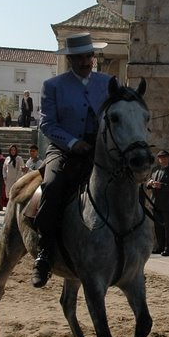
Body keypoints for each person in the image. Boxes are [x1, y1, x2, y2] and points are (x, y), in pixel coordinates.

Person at [32, 32, 112, 288]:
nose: (86, 61)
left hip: (101, 150)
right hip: (65, 149)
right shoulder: (53, 86)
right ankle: (44, 254)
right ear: (70, 59)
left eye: (89, 56)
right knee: (53, 187)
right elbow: (47, 123)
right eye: (80, 57)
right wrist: (72, 142)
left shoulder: (109, 82)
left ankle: (133, 249)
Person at [147, 149, 169, 256]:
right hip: (155, 203)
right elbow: (147, 183)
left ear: (168, 158)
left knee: (168, 227)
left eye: (165, 158)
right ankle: (160, 246)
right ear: (158, 159)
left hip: (167, 203)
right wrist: (150, 183)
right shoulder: (155, 170)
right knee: (158, 227)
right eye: (161, 158)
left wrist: (162, 185)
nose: (163, 160)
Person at [1, 145, 27, 210]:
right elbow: (4, 168)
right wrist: (4, 176)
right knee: (8, 194)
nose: (13, 151)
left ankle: (15, 209)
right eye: (11, 150)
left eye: (14, 150)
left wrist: (17, 179)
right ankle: (9, 208)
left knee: (15, 194)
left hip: (15, 179)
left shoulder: (19, 158)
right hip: (8, 179)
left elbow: (20, 170)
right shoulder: (7, 158)